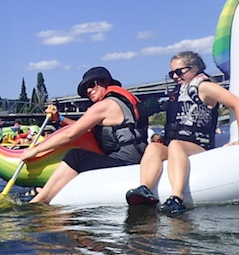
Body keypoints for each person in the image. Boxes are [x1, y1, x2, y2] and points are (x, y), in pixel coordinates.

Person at [125, 51, 239, 215]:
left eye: (179, 72)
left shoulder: (205, 87)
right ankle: (145, 189)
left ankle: (177, 196)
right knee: (154, 148)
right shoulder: (180, 91)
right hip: (176, 146)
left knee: (176, 145)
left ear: (195, 68)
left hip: (199, 146)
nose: (175, 77)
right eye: (172, 74)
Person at [22, 66, 148, 204]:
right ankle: (48, 190)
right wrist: (59, 119)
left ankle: (39, 201)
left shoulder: (104, 106)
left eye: (92, 85)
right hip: (138, 159)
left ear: (106, 82)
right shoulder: (120, 103)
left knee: (75, 156)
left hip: (126, 162)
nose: (88, 90)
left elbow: (70, 134)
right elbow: (81, 128)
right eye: (86, 89)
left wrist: (35, 150)